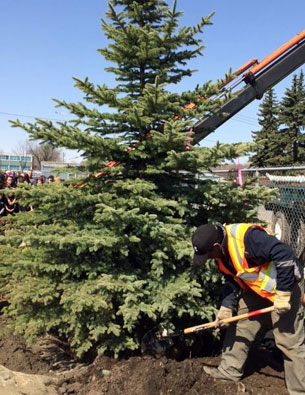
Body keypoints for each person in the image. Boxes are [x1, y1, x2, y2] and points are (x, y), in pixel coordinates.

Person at [192, 223, 305, 395]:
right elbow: (232, 279)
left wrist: (283, 294)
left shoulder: (248, 239)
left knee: (288, 341)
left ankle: (299, 390)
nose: (209, 258)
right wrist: (226, 307)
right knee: (240, 322)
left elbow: (285, 254)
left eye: (208, 254)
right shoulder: (221, 252)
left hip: (285, 287)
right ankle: (228, 371)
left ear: (215, 246)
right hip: (258, 288)